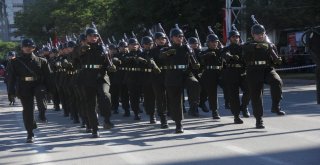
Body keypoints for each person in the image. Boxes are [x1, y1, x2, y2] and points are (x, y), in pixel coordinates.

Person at [7, 38, 51, 143]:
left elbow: (49, 77)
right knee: (28, 110)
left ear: (34, 48)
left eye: (30, 46)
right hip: (24, 86)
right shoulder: (15, 62)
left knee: (41, 97)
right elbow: (11, 78)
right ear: (22, 48)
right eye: (25, 46)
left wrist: (50, 91)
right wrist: (11, 93)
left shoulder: (42, 61)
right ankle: (30, 133)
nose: (28, 48)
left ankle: (42, 113)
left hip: (38, 84)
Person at [242, 23, 285, 129]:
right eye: (257, 34)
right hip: (253, 71)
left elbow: (274, 61)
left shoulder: (270, 45)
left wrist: (276, 59)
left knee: (277, 81)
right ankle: (259, 120)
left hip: (267, 69)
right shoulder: (248, 45)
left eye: (262, 33)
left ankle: (276, 106)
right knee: (256, 96)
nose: (260, 36)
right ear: (253, 35)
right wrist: (263, 45)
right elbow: (248, 49)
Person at [76, 28, 116, 138]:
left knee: (105, 95)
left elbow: (108, 61)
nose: (94, 38)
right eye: (91, 36)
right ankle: (94, 128)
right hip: (87, 77)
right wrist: (82, 49)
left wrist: (111, 65)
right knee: (91, 104)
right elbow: (75, 58)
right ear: (87, 37)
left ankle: (107, 119)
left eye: (96, 36)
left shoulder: (103, 48)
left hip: (101, 76)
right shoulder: (82, 48)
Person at [160, 27, 201, 133]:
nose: (180, 38)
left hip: (186, 73)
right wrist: (168, 52)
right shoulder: (166, 49)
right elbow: (161, 56)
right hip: (173, 75)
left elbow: (193, 59)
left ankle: (194, 104)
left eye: (181, 36)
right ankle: (179, 124)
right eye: (177, 36)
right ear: (172, 38)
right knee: (176, 101)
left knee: (195, 83)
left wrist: (195, 62)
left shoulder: (186, 48)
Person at [222, 28, 250, 124]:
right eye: (233, 37)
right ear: (230, 38)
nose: (236, 38)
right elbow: (225, 55)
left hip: (242, 72)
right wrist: (230, 56)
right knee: (234, 96)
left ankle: (244, 106)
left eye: (237, 36)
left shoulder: (243, 47)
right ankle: (236, 116)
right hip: (231, 73)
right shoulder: (226, 49)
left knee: (249, 90)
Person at [199, 33, 223, 120]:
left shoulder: (221, 51)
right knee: (211, 92)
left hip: (219, 72)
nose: (214, 43)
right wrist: (207, 55)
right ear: (208, 43)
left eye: (216, 42)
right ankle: (214, 111)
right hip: (209, 73)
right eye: (212, 42)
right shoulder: (204, 51)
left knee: (228, 87)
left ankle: (229, 103)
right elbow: (200, 58)